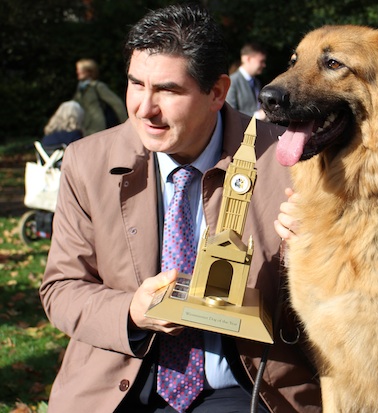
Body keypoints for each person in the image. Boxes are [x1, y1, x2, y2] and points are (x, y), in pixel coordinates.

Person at [40, 4, 321, 412]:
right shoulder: (87, 162)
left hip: (246, 385)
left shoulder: (289, 159)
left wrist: (313, 255)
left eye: (168, 90)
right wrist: (130, 312)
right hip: (117, 384)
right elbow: (61, 288)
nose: (144, 108)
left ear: (217, 92)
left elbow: (349, 300)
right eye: (136, 84)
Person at [73, 58, 128, 136]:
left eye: (80, 70)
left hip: (97, 127)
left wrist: (126, 124)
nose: (77, 72)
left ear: (89, 71)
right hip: (83, 128)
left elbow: (116, 103)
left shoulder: (97, 86)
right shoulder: (79, 89)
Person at [226, 43, 267, 120]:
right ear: (247, 59)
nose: (264, 65)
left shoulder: (257, 82)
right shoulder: (232, 81)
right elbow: (229, 112)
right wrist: (256, 116)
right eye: (261, 61)